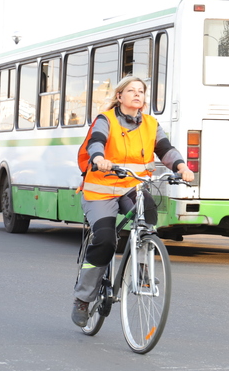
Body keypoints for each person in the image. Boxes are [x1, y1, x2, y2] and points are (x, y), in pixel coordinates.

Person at [71, 76, 194, 328]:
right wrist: (98, 157)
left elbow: (165, 149)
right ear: (120, 96)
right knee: (105, 239)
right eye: (131, 91)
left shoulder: (150, 124)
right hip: (100, 192)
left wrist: (182, 166)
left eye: (141, 91)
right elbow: (96, 141)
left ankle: (142, 269)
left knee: (148, 212)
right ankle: (83, 299)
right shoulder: (106, 120)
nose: (137, 95)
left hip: (131, 187)